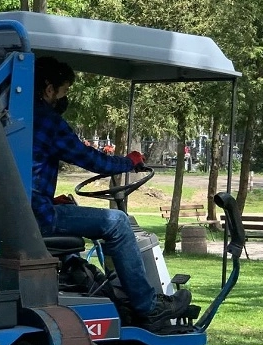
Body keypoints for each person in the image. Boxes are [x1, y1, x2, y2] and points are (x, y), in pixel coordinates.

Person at [30, 56, 193, 331]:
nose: (64, 98)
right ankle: (148, 306)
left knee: (76, 210)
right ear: (49, 89)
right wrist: (129, 162)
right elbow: (92, 160)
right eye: (64, 91)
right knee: (117, 222)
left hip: (27, 211)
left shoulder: (17, 117)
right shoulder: (47, 121)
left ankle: (104, 289)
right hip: (39, 217)